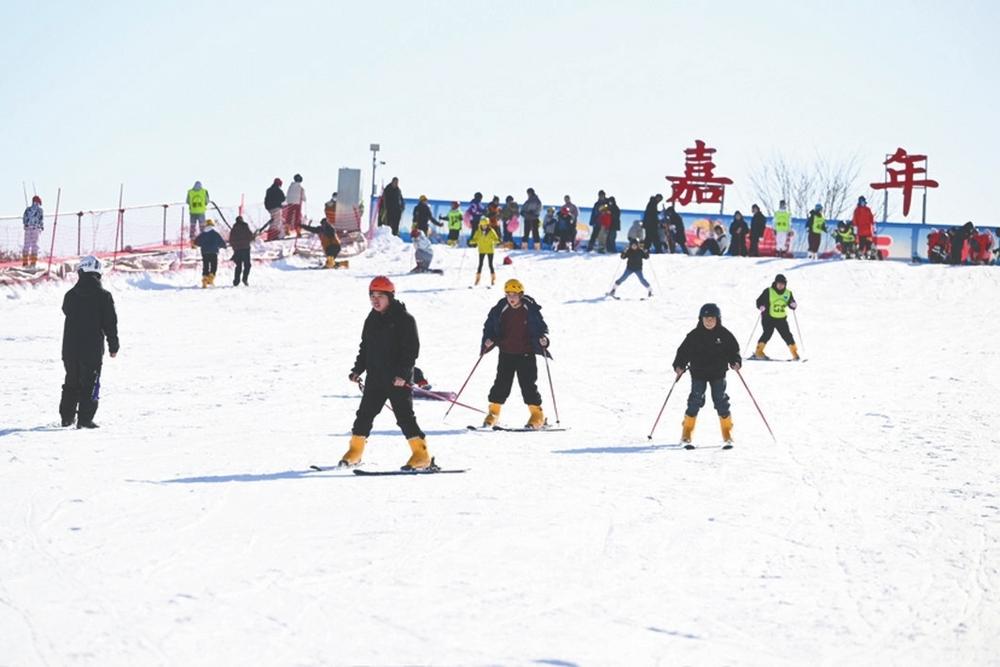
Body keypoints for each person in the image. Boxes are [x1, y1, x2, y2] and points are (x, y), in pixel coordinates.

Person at [341, 276, 433, 470]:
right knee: (364, 415)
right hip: (375, 378)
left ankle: (421, 454)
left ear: (390, 297)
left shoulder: (405, 320)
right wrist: (357, 369)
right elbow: (365, 348)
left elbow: (411, 351)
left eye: (380, 296)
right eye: (372, 296)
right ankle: (355, 452)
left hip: (397, 380)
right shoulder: (371, 319)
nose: (375, 300)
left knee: (404, 417)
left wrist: (403, 375)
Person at [480, 278, 551, 429]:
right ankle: (493, 413)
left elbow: (541, 328)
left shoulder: (530, 309)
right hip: (506, 352)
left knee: (528, 385)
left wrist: (544, 340)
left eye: (514, 295)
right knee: (501, 384)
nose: (511, 298)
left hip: (526, 353)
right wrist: (488, 339)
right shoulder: (500, 309)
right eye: (508, 294)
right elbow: (490, 327)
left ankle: (537, 415)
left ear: (520, 295)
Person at [59, 255, 119, 429]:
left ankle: (67, 418)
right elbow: (110, 323)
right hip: (91, 349)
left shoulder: (70, 295)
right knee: (90, 382)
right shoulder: (104, 296)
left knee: (71, 381)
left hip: (70, 347)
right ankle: (85, 420)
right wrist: (113, 346)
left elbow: (65, 309)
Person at [672, 303, 741, 448]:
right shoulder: (694, 336)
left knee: (721, 400)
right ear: (701, 319)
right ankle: (686, 433)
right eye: (706, 319)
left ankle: (727, 433)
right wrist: (679, 365)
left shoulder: (724, 334)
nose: (709, 322)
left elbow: (733, 350)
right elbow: (683, 352)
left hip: (718, 373)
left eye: (712, 319)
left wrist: (735, 361)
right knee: (695, 399)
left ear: (717, 319)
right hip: (699, 373)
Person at [753, 273, 799, 360]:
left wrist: (793, 305)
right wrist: (761, 306)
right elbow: (759, 301)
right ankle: (758, 353)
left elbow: (791, 302)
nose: (780, 285)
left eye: (783, 284)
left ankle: (795, 354)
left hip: (781, 319)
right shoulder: (768, 291)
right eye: (779, 283)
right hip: (768, 318)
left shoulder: (788, 293)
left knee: (787, 335)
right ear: (775, 283)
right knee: (767, 333)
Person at [192, 219, 227, 287]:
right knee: (214, 266)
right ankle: (210, 278)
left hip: (205, 252)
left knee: (206, 266)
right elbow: (221, 242)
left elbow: (196, 242)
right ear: (212, 225)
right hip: (213, 252)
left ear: (206, 225)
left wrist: (195, 245)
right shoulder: (215, 234)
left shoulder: (202, 234)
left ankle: (205, 280)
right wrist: (224, 246)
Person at [468, 217, 500, 286]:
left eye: (485, 225)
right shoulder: (478, 232)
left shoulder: (491, 231)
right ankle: (477, 279)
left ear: (488, 225)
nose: (484, 226)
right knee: (480, 264)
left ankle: (493, 279)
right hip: (482, 250)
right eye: (482, 225)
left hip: (490, 250)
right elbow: (475, 239)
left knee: (490, 264)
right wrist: (471, 241)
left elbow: (496, 239)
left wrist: (496, 241)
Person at [228, 215, 255, 285]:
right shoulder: (245, 226)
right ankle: (245, 279)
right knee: (247, 265)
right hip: (245, 249)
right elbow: (250, 237)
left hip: (237, 250)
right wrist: (253, 237)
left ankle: (236, 281)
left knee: (238, 266)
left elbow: (231, 240)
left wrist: (234, 248)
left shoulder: (234, 229)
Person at [21, 195, 44, 269]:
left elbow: (24, 219)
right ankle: (33, 263)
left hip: (28, 228)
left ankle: (25, 262)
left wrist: (26, 225)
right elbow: (41, 220)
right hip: (35, 228)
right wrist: (41, 227)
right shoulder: (40, 210)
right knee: (35, 245)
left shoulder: (27, 209)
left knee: (26, 245)